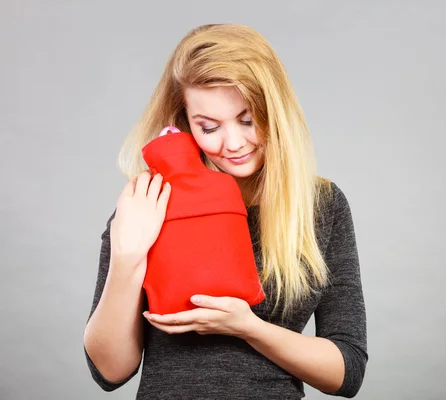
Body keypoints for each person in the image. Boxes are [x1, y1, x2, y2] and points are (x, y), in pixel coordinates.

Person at [83, 23, 367, 399]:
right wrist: (127, 258)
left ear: (275, 112)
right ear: (185, 122)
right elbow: (109, 372)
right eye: (209, 126)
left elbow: (347, 371)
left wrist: (247, 326)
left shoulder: (320, 206)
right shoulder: (152, 199)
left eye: (248, 121)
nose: (233, 143)